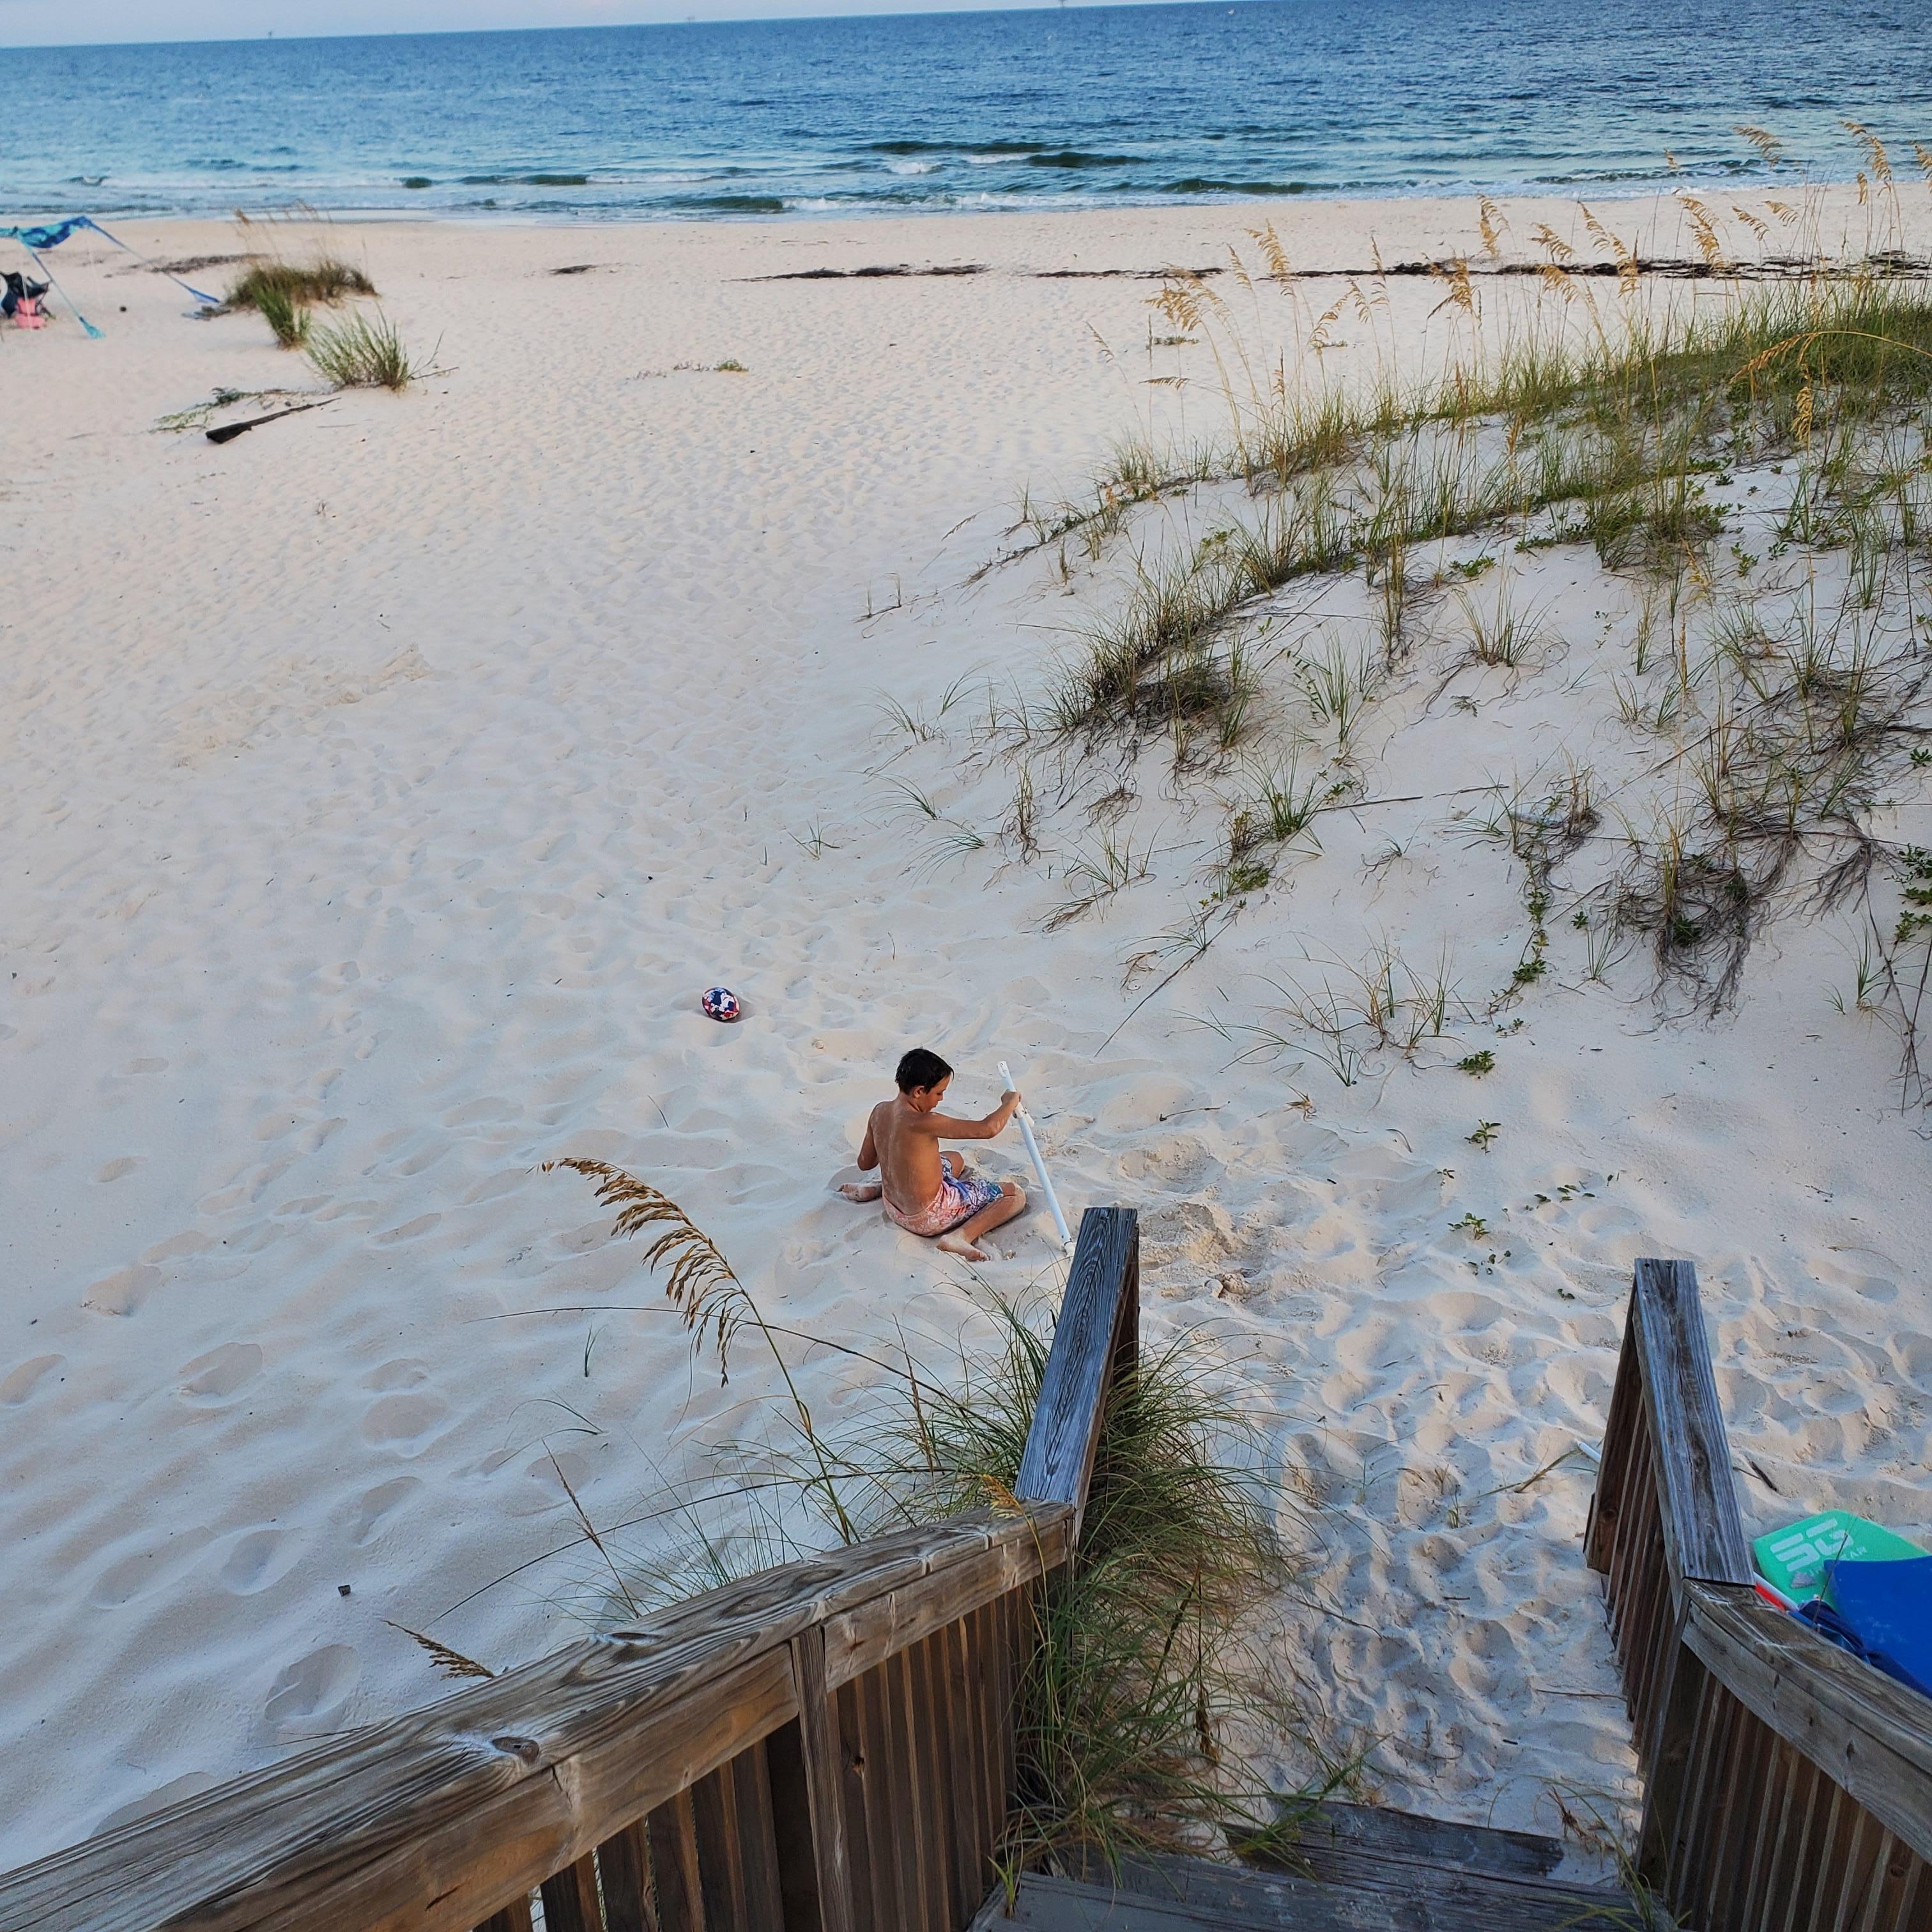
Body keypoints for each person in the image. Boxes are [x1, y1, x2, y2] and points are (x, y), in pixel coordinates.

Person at [838, 1047, 1027, 1260]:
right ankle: (960, 1237)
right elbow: (987, 1129)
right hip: (928, 1217)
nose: (941, 1099)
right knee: (1015, 1195)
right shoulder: (926, 1122)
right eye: (939, 1093)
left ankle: (875, 1189)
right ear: (919, 1091)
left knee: (956, 1159)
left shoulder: (880, 1111)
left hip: (892, 1205)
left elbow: (865, 1163)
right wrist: (1009, 1103)